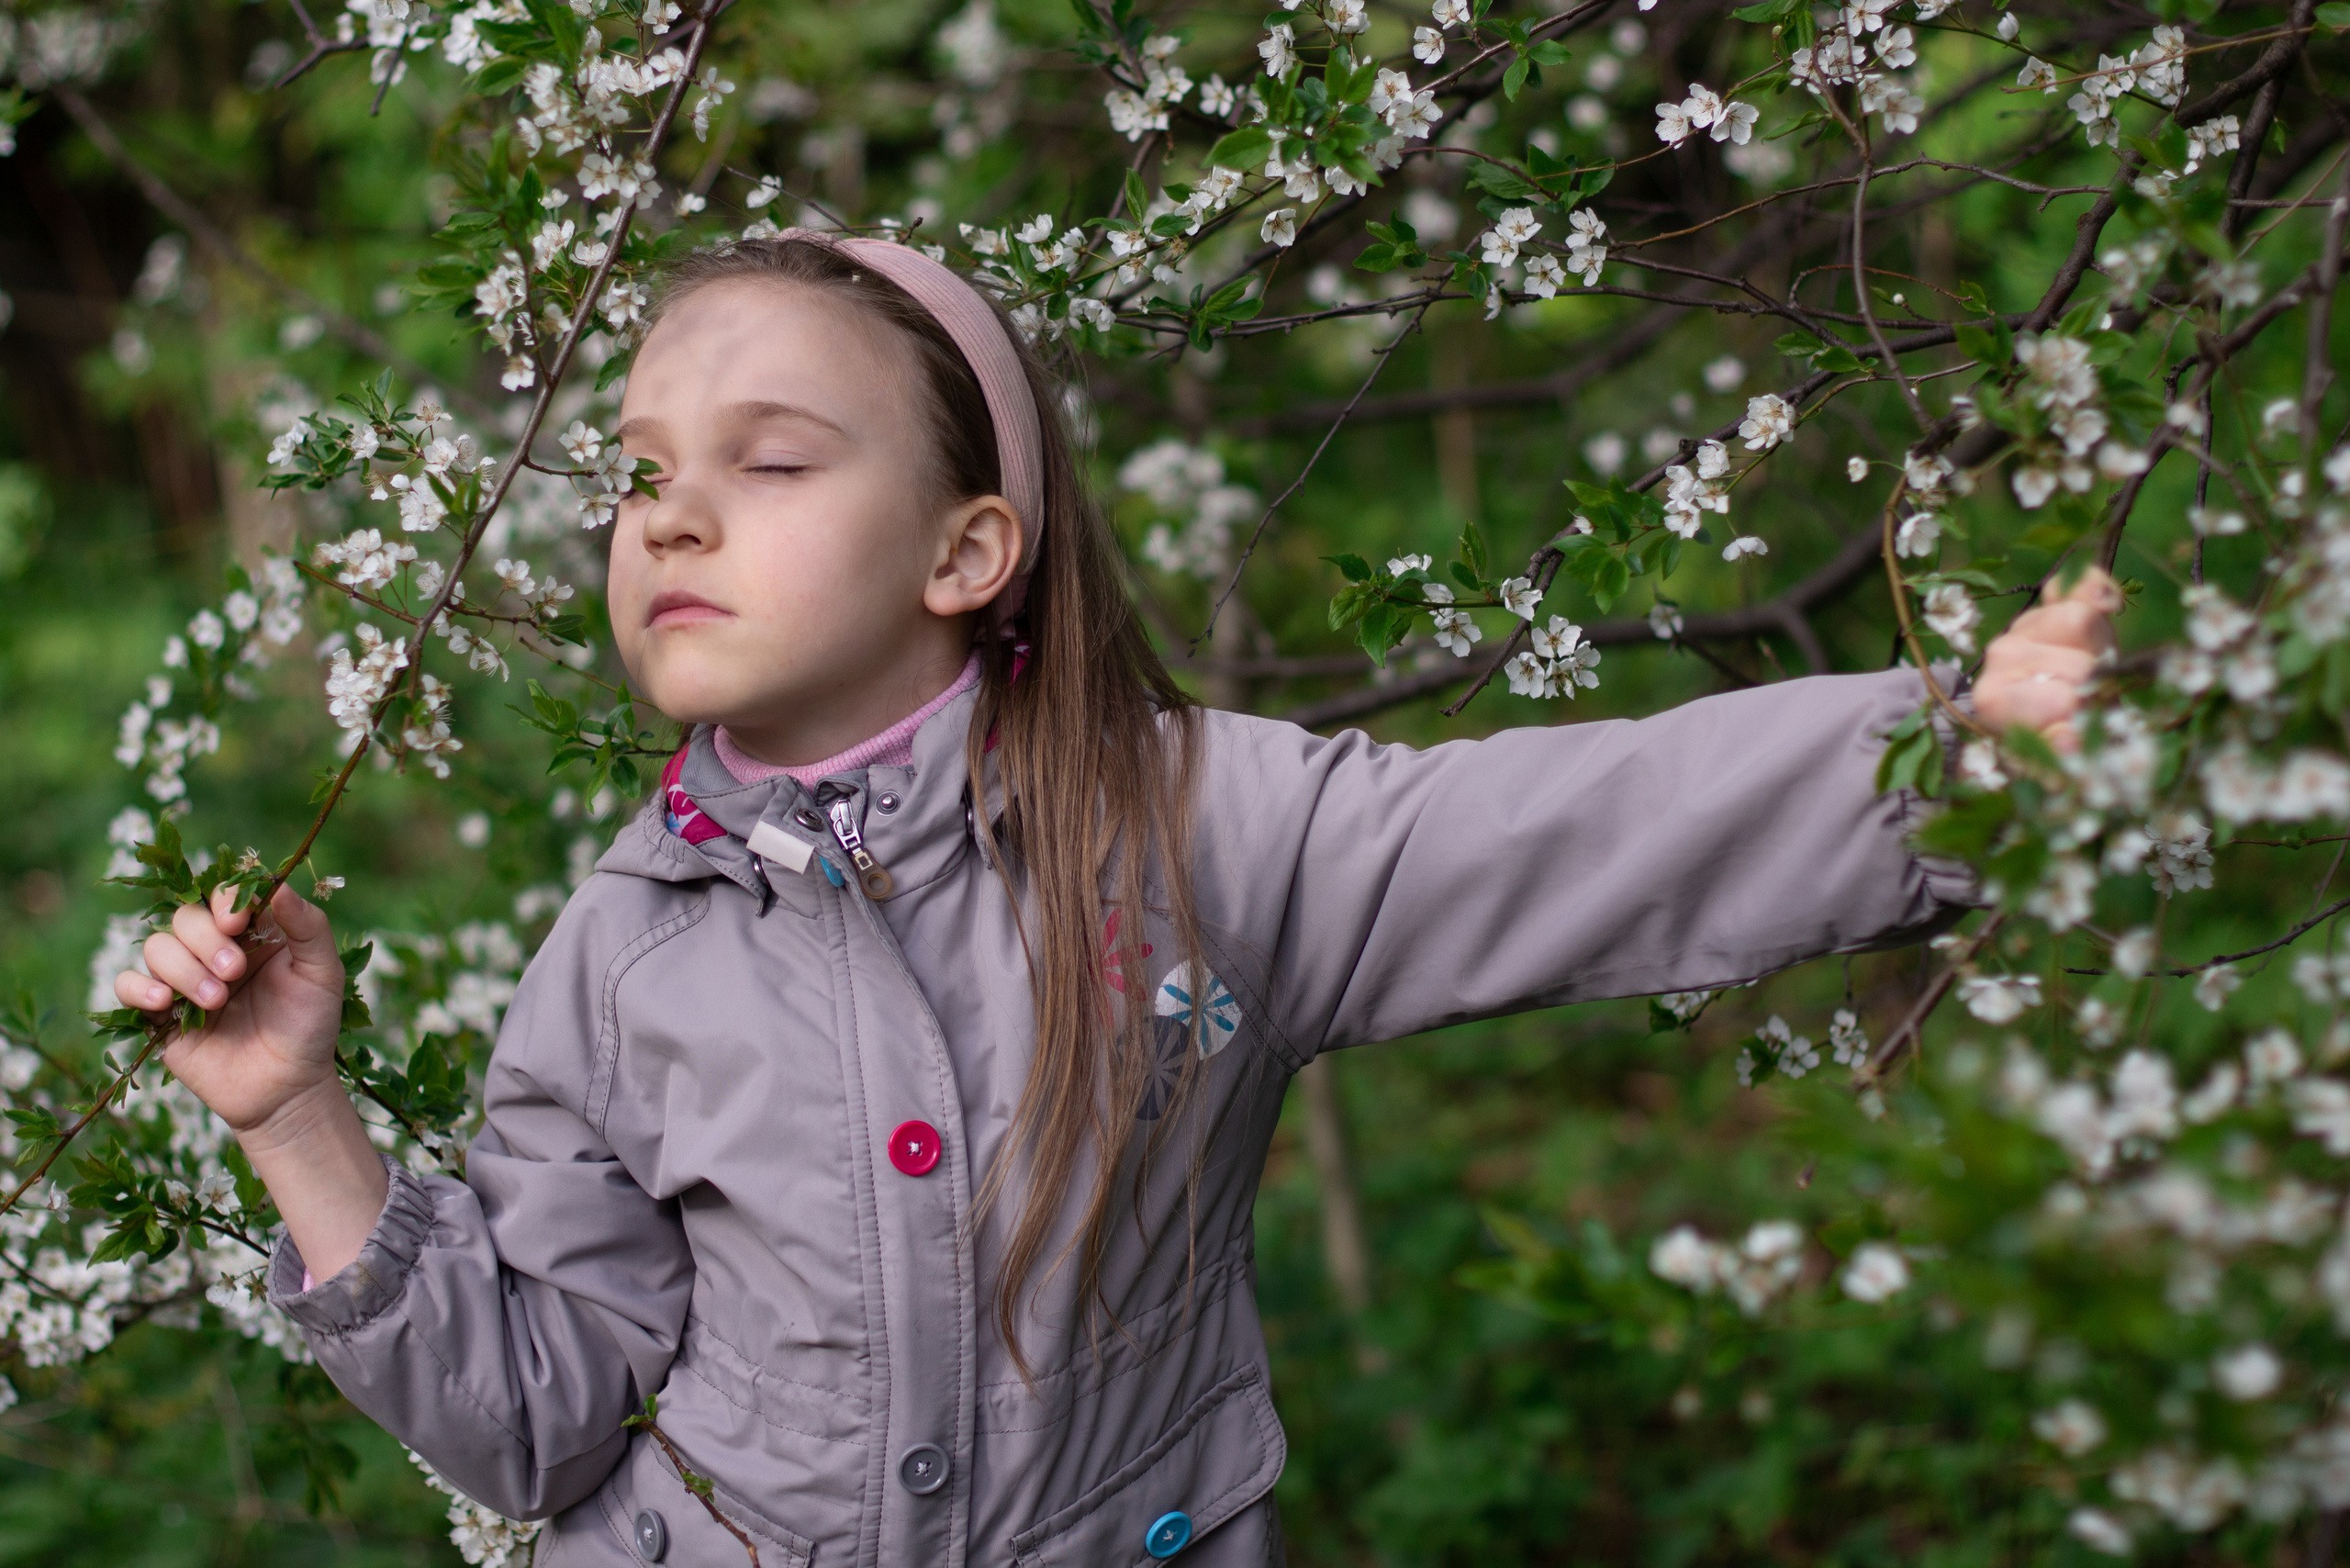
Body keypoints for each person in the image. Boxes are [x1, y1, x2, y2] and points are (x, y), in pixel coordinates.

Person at [116, 231, 2119, 1566]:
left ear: (967, 544)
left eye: (770, 458)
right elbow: (531, 1426)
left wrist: (1943, 750)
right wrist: (299, 1112)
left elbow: (1563, 830)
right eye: (639, 475)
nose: (674, 515)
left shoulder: (1190, 834)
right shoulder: (620, 952)